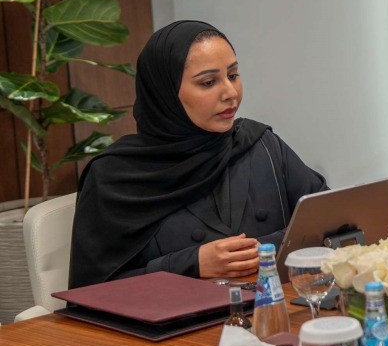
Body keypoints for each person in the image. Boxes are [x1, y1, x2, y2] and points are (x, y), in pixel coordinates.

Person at [69, 20, 327, 287]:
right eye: (208, 82)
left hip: (275, 316)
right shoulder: (114, 178)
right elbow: (92, 292)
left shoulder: (261, 145)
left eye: (233, 75)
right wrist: (192, 264)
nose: (230, 93)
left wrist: (261, 250)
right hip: (175, 327)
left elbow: (330, 224)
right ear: (165, 94)